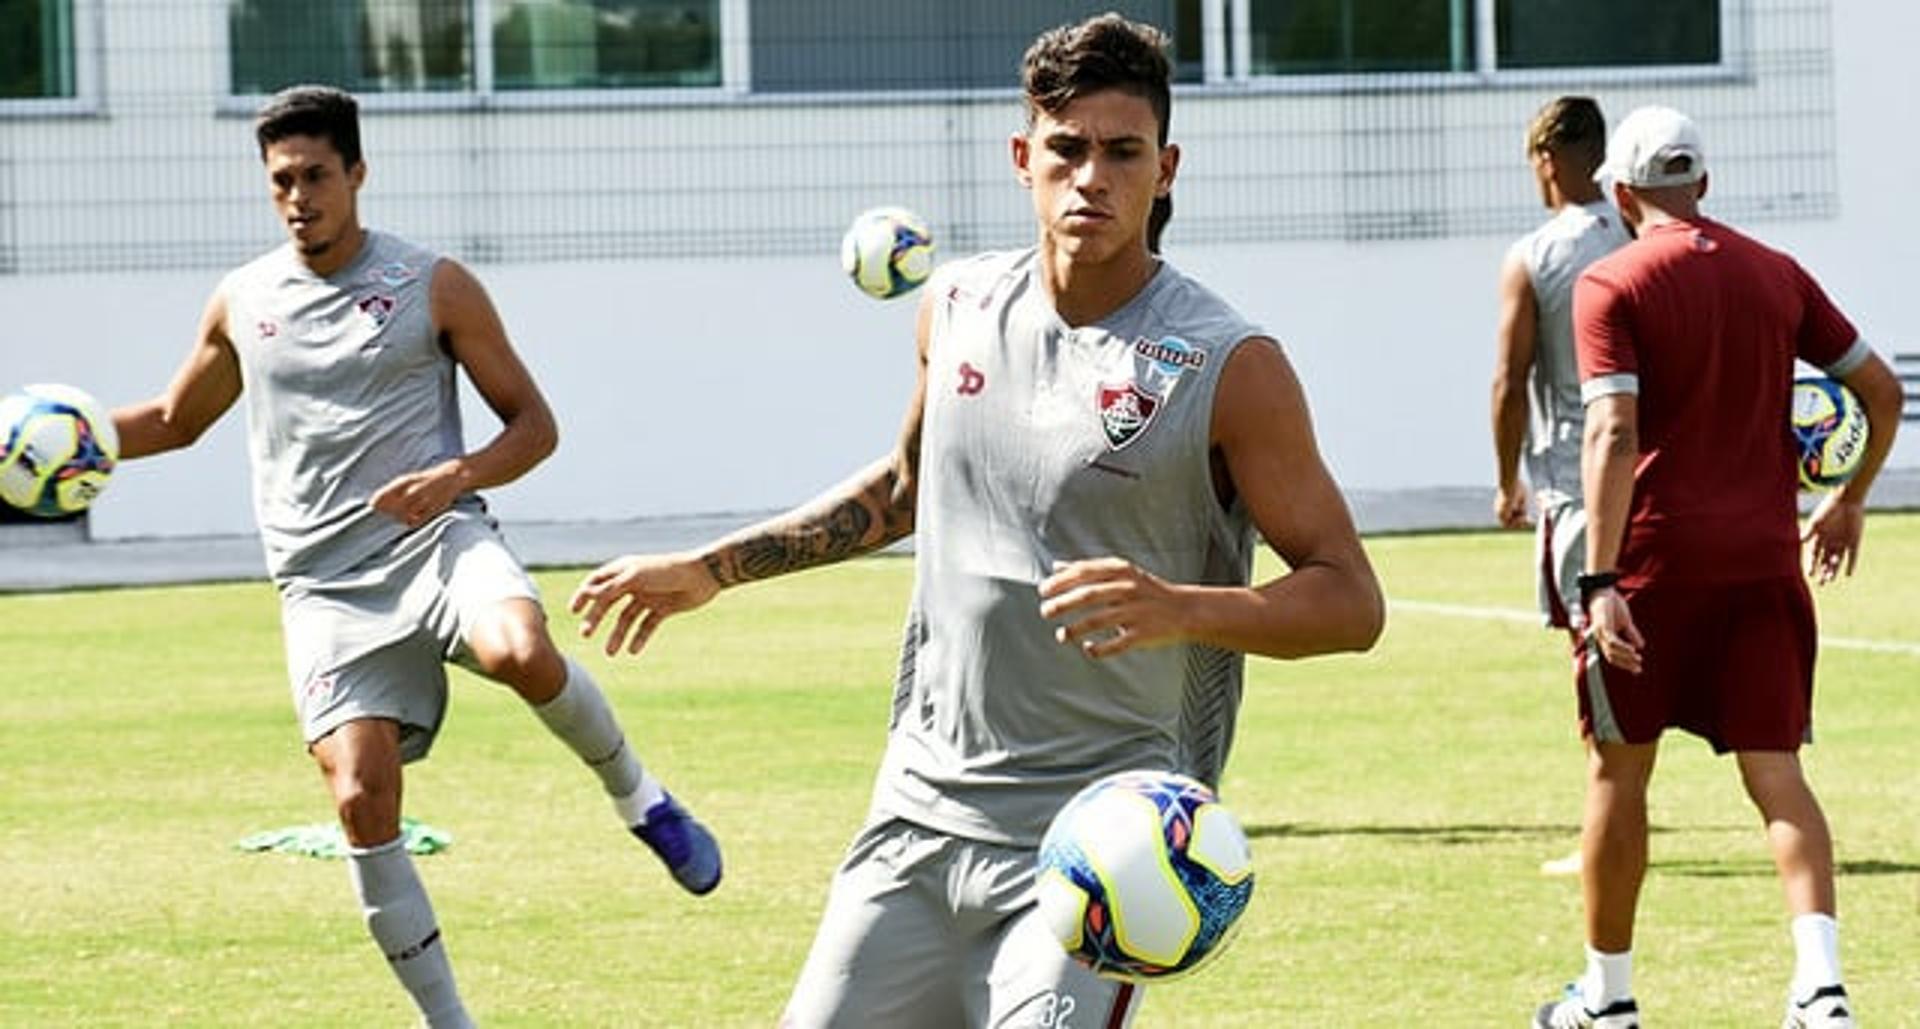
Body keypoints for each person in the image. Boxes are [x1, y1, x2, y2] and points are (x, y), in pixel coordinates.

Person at [570, 13, 1384, 1027]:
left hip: (1097, 840)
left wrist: (1181, 606)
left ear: (1166, 168)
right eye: (1067, 149)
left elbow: (1350, 600)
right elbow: (906, 490)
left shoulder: (1230, 364)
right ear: (1022, 158)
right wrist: (709, 569)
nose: (1092, 176)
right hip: (916, 815)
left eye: (1123, 152)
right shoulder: (954, 305)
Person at [109, 85, 721, 1027]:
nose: (299, 197)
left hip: (438, 544)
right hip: (324, 588)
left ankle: (642, 799)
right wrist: (65, 434)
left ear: (357, 173)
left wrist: (454, 476)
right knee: (359, 797)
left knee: (520, 650)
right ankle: (450, 1021)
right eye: (281, 181)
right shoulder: (244, 300)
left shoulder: (433, 283)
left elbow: (535, 426)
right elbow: (171, 420)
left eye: (316, 175)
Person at [1532, 105, 1903, 1029]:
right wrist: (1847, 497)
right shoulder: (1776, 274)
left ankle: (1608, 1001)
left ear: (1620, 195)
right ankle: (1821, 992)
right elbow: (1882, 389)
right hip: (1762, 562)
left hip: (1652, 565)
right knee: (1777, 774)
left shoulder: (1609, 283)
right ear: (1702, 185)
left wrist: (1598, 580)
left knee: (1618, 775)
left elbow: (1614, 430)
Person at [1490, 96, 1630, 877]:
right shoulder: (1643, 235)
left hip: (1577, 483)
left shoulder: (1536, 254)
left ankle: (1606, 826)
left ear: (1545, 158)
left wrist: (1506, 478)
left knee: (1593, 647)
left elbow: (1510, 380)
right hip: (1653, 473)